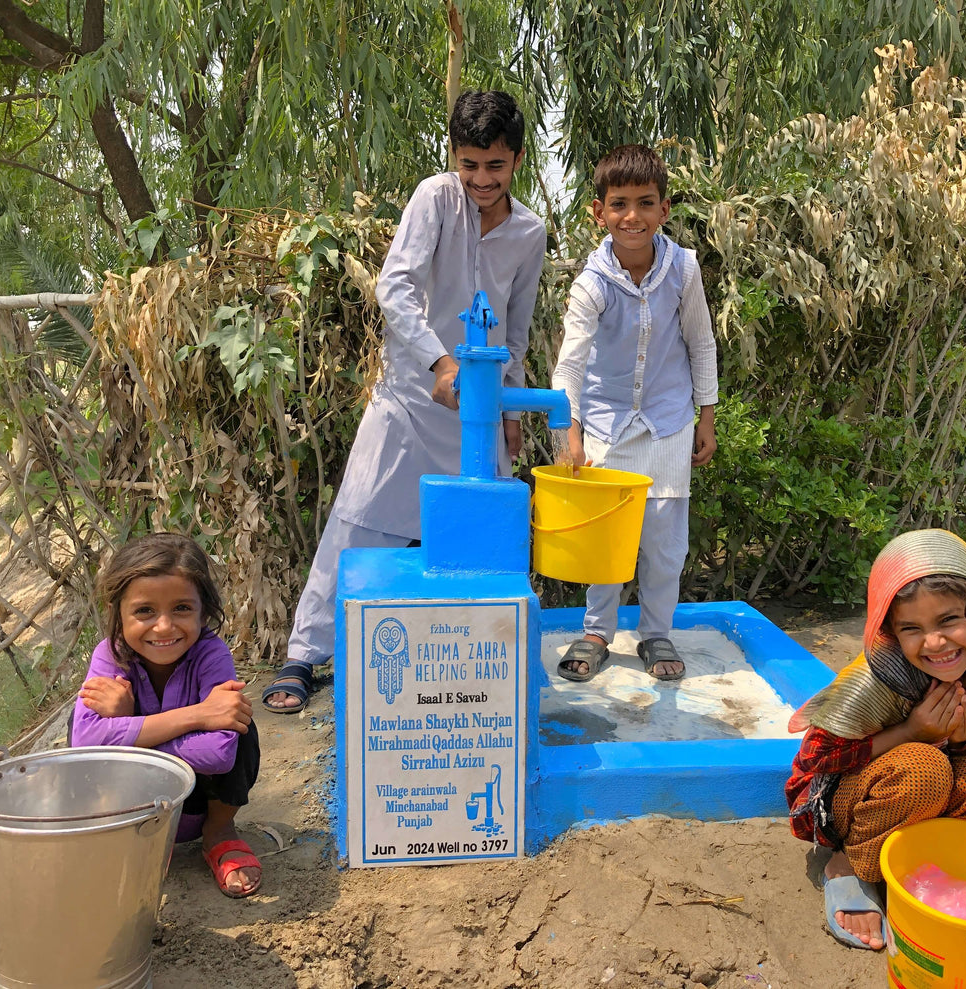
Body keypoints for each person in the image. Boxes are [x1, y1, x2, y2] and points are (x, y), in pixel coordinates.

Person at [264, 90, 547, 712]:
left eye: (494, 166)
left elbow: (515, 331)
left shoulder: (530, 232)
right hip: (411, 396)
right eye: (469, 164)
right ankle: (304, 657)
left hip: (478, 410)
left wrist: (511, 412)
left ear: (517, 161)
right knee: (359, 521)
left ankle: (486, 663)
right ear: (454, 158)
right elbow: (396, 289)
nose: (480, 179)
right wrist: (439, 360)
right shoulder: (435, 198)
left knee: (488, 535)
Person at [786, 528, 966, 950]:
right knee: (922, 768)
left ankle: (927, 856)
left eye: (949, 620)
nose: (935, 643)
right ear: (890, 632)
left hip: (933, 783)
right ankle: (850, 864)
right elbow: (816, 764)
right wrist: (912, 732)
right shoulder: (876, 677)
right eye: (912, 629)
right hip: (849, 796)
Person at [552, 143, 717, 682]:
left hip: (669, 420)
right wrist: (570, 434)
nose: (632, 216)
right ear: (598, 212)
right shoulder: (592, 283)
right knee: (607, 536)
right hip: (605, 423)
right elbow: (570, 366)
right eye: (619, 203)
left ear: (664, 210)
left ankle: (656, 632)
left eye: (646, 203)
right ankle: (597, 631)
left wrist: (706, 417)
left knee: (666, 540)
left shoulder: (683, 268)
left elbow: (701, 343)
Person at [71, 533, 262, 899]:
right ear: (119, 614)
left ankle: (220, 834)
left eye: (181, 609)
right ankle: (143, 843)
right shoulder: (110, 655)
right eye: (144, 611)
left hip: (198, 807)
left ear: (203, 612)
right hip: (134, 809)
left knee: (241, 727)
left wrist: (126, 728)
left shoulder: (211, 654)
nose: (163, 627)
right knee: (76, 724)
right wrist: (199, 714)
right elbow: (85, 742)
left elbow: (219, 754)